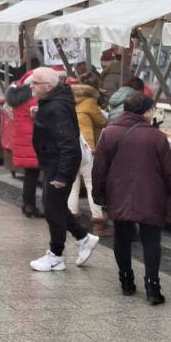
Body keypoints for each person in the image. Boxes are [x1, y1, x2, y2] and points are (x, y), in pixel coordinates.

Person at [91, 92, 171, 304]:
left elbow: (99, 169)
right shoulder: (156, 137)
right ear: (146, 112)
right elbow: (170, 171)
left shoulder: (109, 133)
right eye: (152, 110)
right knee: (151, 240)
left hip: (118, 193)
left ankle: (126, 282)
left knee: (122, 237)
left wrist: (99, 196)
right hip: (151, 194)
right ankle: (152, 288)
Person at [27, 68, 101, 272]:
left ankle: (56, 255)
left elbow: (69, 143)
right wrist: (39, 115)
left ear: (48, 87)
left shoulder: (56, 107)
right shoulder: (52, 102)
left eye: (35, 83)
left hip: (58, 165)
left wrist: (62, 175)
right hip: (54, 163)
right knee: (55, 206)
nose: (31, 86)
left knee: (53, 209)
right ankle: (83, 238)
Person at [1, 76, 41, 218]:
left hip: (20, 140)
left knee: (29, 175)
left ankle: (27, 204)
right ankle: (30, 205)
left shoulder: (15, 102)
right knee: (33, 175)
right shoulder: (33, 101)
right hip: (32, 140)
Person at [71, 81, 108, 233]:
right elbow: (103, 121)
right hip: (86, 147)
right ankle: (98, 219)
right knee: (91, 183)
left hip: (71, 146)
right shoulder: (90, 102)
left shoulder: (70, 102)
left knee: (73, 183)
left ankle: (72, 214)